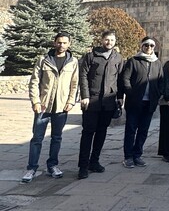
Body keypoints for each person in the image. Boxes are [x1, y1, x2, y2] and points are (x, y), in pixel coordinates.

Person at [21, 32, 79, 183]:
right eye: (59, 42)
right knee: (37, 138)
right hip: (43, 106)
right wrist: (35, 101)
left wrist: (71, 101)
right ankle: (31, 168)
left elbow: (74, 84)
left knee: (56, 138)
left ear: (69, 44)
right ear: (54, 43)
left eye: (65, 43)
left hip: (61, 107)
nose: (61, 45)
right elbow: (34, 82)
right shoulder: (43, 60)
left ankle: (52, 166)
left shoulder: (73, 62)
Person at [78, 30, 124, 179]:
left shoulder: (118, 58)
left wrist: (120, 97)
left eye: (112, 40)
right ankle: (83, 166)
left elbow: (120, 79)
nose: (109, 42)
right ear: (102, 40)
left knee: (102, 132)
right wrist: (85, 96)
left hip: (108, 101)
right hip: (92, 100)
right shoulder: (91, 56)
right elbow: (83, 76)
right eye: (106, 40)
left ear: (115, 41)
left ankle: (94, 161)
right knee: (88, 132)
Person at [121, 36, 163, 168]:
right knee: (131, 129)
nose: (149, 48)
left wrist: (158, 94)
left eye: (151, 45)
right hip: (135, 102)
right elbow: (125, 78)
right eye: (146, 45)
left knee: (143, 130)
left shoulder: (157, 63)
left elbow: (161, 80)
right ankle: (128, 156)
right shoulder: (134, 61)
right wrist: (131, 93)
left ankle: (137, 155)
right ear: (142, 46)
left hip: (149, 103)